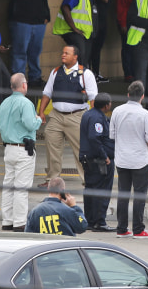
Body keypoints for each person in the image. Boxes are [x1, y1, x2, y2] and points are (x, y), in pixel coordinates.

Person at [37, 45, 98, 188]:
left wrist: (93, 118)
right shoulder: (55, 72)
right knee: (52, 146)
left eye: (67, 53)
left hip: (77, 116)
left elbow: (93, 98)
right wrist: (41, 112)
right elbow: (47, 93)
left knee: (81, 150)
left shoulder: (86, 74)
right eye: (62, 52)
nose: (63, 55)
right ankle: (52, 180)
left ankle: (87, 180)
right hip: (56, 117)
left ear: (75, 56)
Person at [110, 81, 148, 238]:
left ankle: (121, 229)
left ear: (128, 94)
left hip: (122, 160)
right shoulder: (145, 114)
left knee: (123, 194)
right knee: (139, 195)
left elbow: (112, 135)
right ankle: (138, 229)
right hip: (139, 161)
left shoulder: (117, 111)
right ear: (142, 96)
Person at [0, 73, 42, 232]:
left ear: (11, 86)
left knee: (8, 185)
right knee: (21, 188)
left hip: (8, 148)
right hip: (23, 149)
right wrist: (38, 119)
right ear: (24, 85)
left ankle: (7, 220)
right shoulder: (26, 103)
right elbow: (30, 125)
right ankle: (19, 223)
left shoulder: (4, 103)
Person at [5, 0, 50, 86]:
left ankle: (35, 77)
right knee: (20, 51)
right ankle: (18, 80)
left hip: (38, 23)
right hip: (21, 22)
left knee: (35, 52)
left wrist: (46, 16)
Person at [79, 93, 116, 232]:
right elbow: (95, 138)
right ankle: (99, 222)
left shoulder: (88, 114)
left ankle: (90, 220)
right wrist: (105, 156)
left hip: (88, 159)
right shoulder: (97, 118)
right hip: (98, 160)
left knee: (90, 189)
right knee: (102, 190)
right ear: (106, 105)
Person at [52, 0, 98, 68]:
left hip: (84, 33)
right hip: (73, 31)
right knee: (78, 57)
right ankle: (74, 80)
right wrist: (74, 28)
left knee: (83, 59)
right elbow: (65, 8)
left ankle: (81, 81)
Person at [116, 0, 146, 83]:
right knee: (127, 49)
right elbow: (120, 8)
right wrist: (122, 24)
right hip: (127, 23)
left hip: (140, 22)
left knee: (138, 48)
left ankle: (136, 72)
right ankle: (128, 73)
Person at [89, 0, 109, 83]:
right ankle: (92, 74)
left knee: (98, 49)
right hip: (93, 22)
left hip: (103, 21)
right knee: (92, 49)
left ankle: (96, 72)